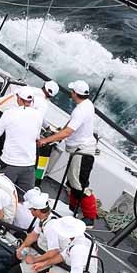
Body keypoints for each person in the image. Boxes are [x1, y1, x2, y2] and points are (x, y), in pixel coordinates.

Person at [37, 80, 97, 227]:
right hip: (79, 151)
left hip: (81, 152)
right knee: (71, 182)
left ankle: (90, 217)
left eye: (72, 91)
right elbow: (70, 124)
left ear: (75, 94)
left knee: (79, 184)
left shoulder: (80, 110)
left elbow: (68, 132)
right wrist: (58, 132)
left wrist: (47, 140)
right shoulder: (87, 104)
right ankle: (73, 208)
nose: (71, 93)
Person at [0, 86, 44, 197]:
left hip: (9, 163)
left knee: (1, 194)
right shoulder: (38, 115)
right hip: (29, 165)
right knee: (24, 198)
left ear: (19, 98)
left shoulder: (9, 113)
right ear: (31, 101)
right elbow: (36, 136)